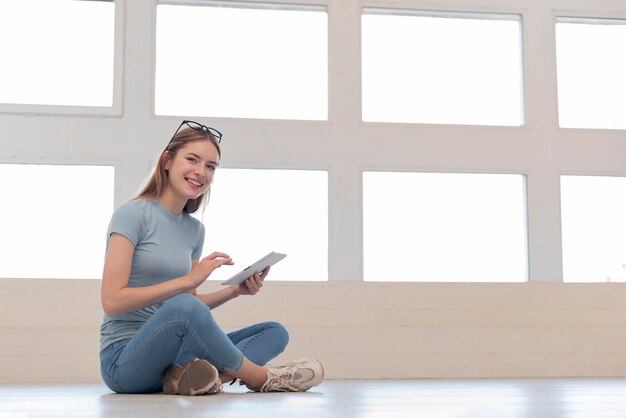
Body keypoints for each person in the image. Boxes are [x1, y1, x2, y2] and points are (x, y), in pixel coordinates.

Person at [99, 120, 324, 395]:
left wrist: (235, 291)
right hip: (125, 361)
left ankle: (193, 378)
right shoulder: (132, 214)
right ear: (167, 160)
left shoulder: (194, 230)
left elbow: (192, 307)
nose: (201, 172)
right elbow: (112, 301)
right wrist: (188, 281)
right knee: (183, 304)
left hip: (172, 358)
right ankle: (262, 378)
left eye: (210, 166)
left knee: (274, 332)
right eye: (192, 160)